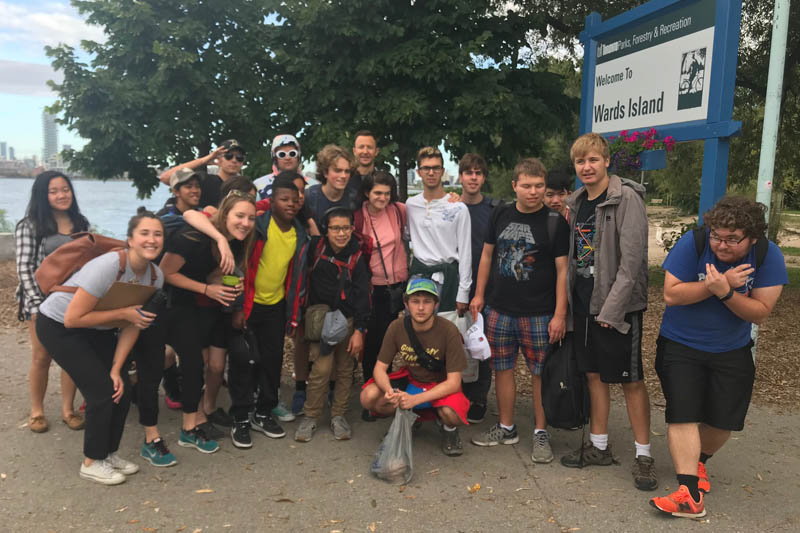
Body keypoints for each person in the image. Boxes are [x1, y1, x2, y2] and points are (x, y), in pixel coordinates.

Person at [649, 196, 787, 518]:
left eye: (732, 240)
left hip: (731, 349)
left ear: (751, 238)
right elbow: (671, 294)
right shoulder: (693, 243)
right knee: (681, 413)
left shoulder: (768, 256)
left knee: (723, 422)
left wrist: (725, 292)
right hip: (680, 344)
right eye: (716, 236)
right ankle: (689, 493)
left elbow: (759, 313)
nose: (721, 246)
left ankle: (699, 462)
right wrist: (717, 285)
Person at [35, 210, 165, 485]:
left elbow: (134, 325)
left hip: (99, 329)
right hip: (59, 325)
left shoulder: (155, 277)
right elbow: (73, 318)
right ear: (130, 239)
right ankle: (91, 461)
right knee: (101, 391)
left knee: (122, 388)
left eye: (158, 234)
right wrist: (126, 314)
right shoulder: (108, 265)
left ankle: (108, 454)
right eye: (144, 233)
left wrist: (117, 368)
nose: (152, 240)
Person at [559, 133, 656, 492]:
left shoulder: (625, 198)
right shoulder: (577, 203)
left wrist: (612, 311)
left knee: (630, 380)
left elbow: (632, 264)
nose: (587, 167)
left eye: (593, 160)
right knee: (594, 376)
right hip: (585, 300)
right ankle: (599, 446)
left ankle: (644, 454)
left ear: (606, 161)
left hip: (618, 306)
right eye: (580, 162)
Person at [185, 175, 310, 446]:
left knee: (271, 361)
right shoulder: (257, 225)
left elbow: (296, 276)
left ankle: (264, 412)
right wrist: (239, 307)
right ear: (271, 200)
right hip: (249, 305)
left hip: (276, 306)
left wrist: (293, 314)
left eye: (295, 200)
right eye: (283, 199)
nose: (290, 204)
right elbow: (240, 262)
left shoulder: (300, 233)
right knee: (243, 361)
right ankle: (240, 416)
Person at [469, 158, 569, 463]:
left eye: (539, 186)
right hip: (500, 309)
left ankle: (541, 432)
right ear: (515, 186)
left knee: (540, 374)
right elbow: (487, 255)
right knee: (503, 370)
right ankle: (507, 426)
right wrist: (479, 295)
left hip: (539, 312)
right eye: (527, 185)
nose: (534, 191)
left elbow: (563, 270)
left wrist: (560, 314)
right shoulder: (500, 213)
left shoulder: (555, 222)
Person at [159, 191, 257, 453]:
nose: (245, 223)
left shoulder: (237, 241)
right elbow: (165, 273)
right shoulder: (194, 238)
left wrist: (229, 287)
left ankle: (205, 411)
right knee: (195, 364)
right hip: (182, 306)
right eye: (239, 216)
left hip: (215, 309)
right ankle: (192, 422)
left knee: (215, 365)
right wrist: (206, 288)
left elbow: (217, 275)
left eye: (251, 218)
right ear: (224, 214)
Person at [360, 277, 469, 456]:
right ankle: (409, 418)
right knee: (369, 397)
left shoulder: (449, 330)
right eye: (415, 301)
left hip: (439, 386)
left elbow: (454, 383)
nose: (420, 307)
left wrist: (415, 400)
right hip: (412, 381)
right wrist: (390, 391)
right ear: (406, 303)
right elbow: (379, 368)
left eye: (427, 302)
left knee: (451, 414)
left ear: (435, 304)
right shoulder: (396, 327)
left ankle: (449, 430)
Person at [15, 170, 89, 434]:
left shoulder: (80, 222)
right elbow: (25, 269)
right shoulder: (30, 225)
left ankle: (68, 409)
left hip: (73, 300)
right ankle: (37, 410)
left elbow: (87, 264)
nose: (61, 195)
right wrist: (36, 306)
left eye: (65, 189)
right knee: (42, 356)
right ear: (43, 195)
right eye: (54, 191)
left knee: (71, 356)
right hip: (40, 301)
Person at [294, 207, 371, 443]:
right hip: (320, 322)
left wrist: (360, 330)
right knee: (321, 368)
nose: (341, 233)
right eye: (335, 228)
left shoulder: (357, 256)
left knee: (346, 368)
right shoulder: (315, 249)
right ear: (326, 230)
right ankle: (311, 415)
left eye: (346, 228)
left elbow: (363, 296)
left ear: (352, 229)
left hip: (346, 321)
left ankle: (339, 415)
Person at [353, 171, 409, 421]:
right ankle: (370, 396)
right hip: (372, 287)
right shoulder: (359, 218)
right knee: (374, 343)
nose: (382, 198)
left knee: (402, 341)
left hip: (398, 286)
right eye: (377, 193)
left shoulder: (398, 210)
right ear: (367, 193)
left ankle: (404, 393)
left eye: (387, 193)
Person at [456, 153, 501, 424]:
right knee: (454, 343)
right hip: (456, 286)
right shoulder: (450, 207)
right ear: (460, 177)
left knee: (481, 344)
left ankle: (479, 397)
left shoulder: (495, 209)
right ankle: (455, 391)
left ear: (483, 178)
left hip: (487, 287)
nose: (473, 177)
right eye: (468, 172)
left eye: (478, 173)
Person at [405, 146, 472, 313]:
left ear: (442, 171)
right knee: (415, 333)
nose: (431, 172)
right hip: (418, 279)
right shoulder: (411, 205)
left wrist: (463, 293)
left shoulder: (458, 208)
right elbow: (404, 235)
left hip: (446, 280)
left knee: (444, 333)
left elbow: (465, 253)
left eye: (435, 168)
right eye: (426, 168)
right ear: (419, 172)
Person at [159, 139, 246, 210]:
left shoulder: (244, 188)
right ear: (219, 160)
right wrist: (204, 160)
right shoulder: (204, 180)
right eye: (229, 156)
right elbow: (165, 177)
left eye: (239, 157)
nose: (234, 160)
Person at [304, 145, 359, 228]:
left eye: (347, 171)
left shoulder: (355, 199)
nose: (343, 175)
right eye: (337, 170)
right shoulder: (309, 197)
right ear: (325, 172)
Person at [253, 134, 302, 201]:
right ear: (274, 158)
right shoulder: (258, 185)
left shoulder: (312, 185)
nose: (287, 158)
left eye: (292, 153)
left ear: (298, 156)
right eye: (282, 154)